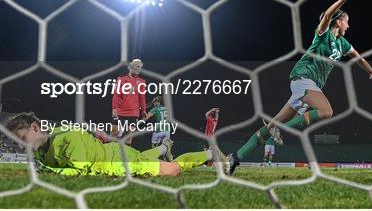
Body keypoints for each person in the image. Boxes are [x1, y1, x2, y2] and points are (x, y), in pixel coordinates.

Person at [226, 0, 372, 175]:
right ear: (339, 21)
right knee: (326, 111)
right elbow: (327, 14)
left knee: (268, 129)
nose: (348, 26)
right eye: (347, 22)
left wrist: (371, 71)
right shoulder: (323, 34)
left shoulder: (342, 43)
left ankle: (235, 157)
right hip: (302, 78)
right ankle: (280, 128)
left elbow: (358, 57)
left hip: (311, 86)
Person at [7, 112, 228, 176]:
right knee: (149, 159)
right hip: (111, 158)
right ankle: (163, 148)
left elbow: (80, 170)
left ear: (35, 128)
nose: (19, 146)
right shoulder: (38, 149)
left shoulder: (67, 138)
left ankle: (209, 154)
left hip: (118, 160)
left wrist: (48, 170)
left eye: (21, 139)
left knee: (172, 170)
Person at [112, 59, 147, 145]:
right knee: (114, 135)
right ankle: (112, 156)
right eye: (137, 66)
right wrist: (114, 108)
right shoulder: (121, 79)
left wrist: (143, 110)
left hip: (133, 112)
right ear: (131, 66)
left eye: (141, 67)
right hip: (120, 111)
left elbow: (142, 97)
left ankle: (127, 157)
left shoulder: (141, 81)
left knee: (128, 136)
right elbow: (116, 94)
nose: (139, 69)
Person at [144, 96, 172, 161]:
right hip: (167, 129)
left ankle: (153, 162)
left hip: (158, 130)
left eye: (155, 101)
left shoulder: (155, 109)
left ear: (158, 102)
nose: (154, 102)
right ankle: (168, 163)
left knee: (154, 149)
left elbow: (146, 116)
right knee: (166, 149)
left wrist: (140, 121)